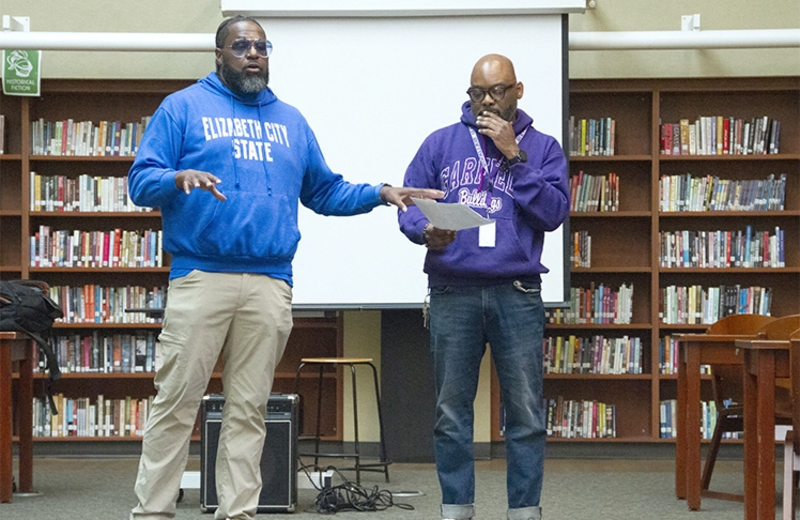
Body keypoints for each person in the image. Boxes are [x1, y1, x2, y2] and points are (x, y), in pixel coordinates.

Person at [127, 15, 442, 520]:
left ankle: (238, 512)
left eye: (261, 46)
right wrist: (175, 176)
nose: (253, 54)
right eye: (241, 46)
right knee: (177, 403)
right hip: (202, 275)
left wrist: (382, 193)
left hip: (271, 281)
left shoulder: (290, 121)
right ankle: (153, 511)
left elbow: (324, 190)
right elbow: (140, 181)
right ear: (219, 54)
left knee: (249, 410)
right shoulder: (183, 108)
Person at [398, 54, 570, 520]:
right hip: (454, 290)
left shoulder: (545, 147)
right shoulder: (441, 143)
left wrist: (515, 156)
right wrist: (422, 231)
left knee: (526, 413)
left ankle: (524, 510)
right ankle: (456, 508)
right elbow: (409, 202)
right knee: (451, 413)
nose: (486, 101)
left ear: (518, 90)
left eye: (496, 91)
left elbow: (553, 214)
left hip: (516, 292)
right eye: (477, 93)